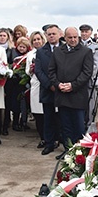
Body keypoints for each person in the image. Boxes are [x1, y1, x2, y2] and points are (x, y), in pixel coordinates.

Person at [48, 26, 93, 154]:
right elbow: (51, 71)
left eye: (75, 37)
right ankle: (68, 152)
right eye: (70, 37)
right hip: (62, 95)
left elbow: (87, 72)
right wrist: (58, 84)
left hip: (77, 96)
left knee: (79, 126)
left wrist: (72, 85)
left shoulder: (85, 51)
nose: (73, 40)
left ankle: (79, 153)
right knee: (65, 126)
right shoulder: (57, 51)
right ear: (65, 38)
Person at [35, 24, 62, 156]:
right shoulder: (40, 51)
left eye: (54, 33)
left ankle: (65, 143)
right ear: (46, 35)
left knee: (64, 118)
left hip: (63, 90)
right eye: (49, 34)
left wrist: (60, 85)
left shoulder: (65, 49)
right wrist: (50, 85)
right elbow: (38, 71)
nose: (51, 36)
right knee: (48, 118)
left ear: (59, 34)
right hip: (47, 90)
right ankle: (49, 143)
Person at [26, 31, 45, 147]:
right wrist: (32, 69)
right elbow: (27, 71)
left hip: (46, 85)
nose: (37, 41)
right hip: (35, 84)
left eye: (39, 39)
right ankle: (42, 137)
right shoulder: (30, 54)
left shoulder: (48, 52)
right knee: (38, 114)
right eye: (34, 40)